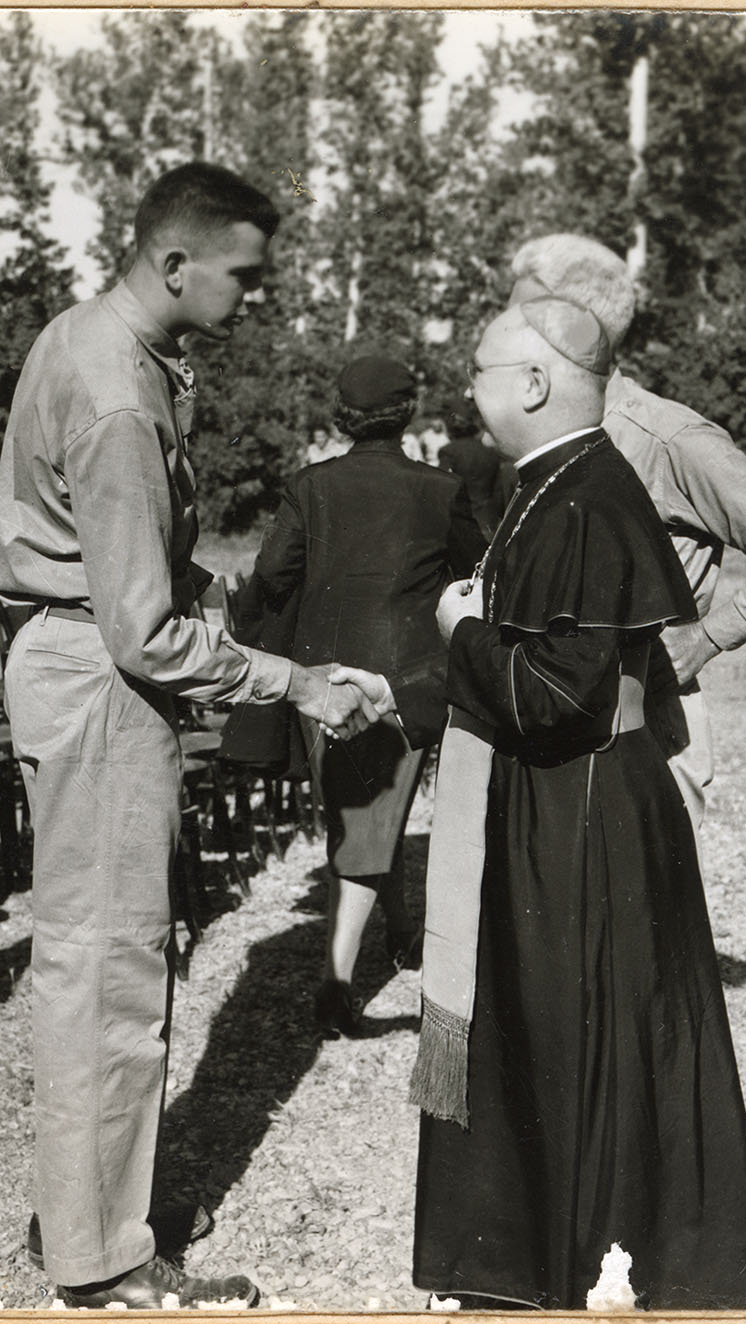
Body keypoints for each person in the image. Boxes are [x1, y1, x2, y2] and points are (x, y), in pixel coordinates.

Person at [0, 161, 385, 1310]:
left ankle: (80, 1215)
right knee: (109, 971)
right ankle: (105, 1259)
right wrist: (298, 681)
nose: (254, 296)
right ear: (173, 262)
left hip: (77, 663)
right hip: (103, 685)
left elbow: (129, 563)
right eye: (243, 276)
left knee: (93, 960)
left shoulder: (92, 341)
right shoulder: (120, 392)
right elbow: (143, 634)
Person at [400, 298, 746, 1309]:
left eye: (480, 370)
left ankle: (592, 1260)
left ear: (531, 383)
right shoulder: (556, 483)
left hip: (582, 811)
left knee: (587, 1048)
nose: (468, 389)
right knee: (557, 1043)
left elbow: (552, 693)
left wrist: (455, 631)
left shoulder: (583, 493)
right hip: (564, 801)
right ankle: (543, 1252)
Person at [506, 234, 746, 826]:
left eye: (521, 316)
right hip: (549, 718)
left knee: (646, 913)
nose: (504, 333)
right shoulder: (534, 436)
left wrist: (706, 638)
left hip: (642, 728)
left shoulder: (666, 437)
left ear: (580, 330)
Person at [248, 354, 486, 1037]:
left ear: (342, 416)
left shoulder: (309, 486)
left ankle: (365, 961)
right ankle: (351, 971)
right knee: (373, 817)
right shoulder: (440, 490)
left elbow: (270, 573)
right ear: (407, 413)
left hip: (322, 682)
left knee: (364, 818)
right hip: (404, 679)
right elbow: (475, 572)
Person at [435, 398, 512, 539]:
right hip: (491, 521)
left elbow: (443, 491)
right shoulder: (489, 450)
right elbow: (499, 491)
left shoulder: (449, 452)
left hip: (465, 523)